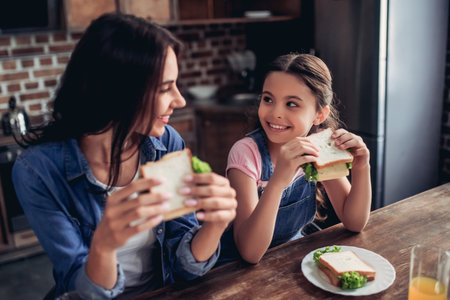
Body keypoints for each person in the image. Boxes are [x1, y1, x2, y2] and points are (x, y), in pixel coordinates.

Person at [12, 13, 237, 299]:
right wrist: (103, 245)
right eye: (166, 88)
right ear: (119, 91)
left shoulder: (167, 143)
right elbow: (79, 287)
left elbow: (186, 269)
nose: (180, 101)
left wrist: (216, 225)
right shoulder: (37, 170)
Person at [217, 53, 371, 265]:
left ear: (319, 115)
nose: (276, 113)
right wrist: (278, 180)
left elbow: (354, 222)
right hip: (237, 269)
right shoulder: (246, 154)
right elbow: (249, 252)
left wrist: (362, 167)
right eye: (268, 99)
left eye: (291, 104)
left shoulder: (318, 148)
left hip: (291, 257)